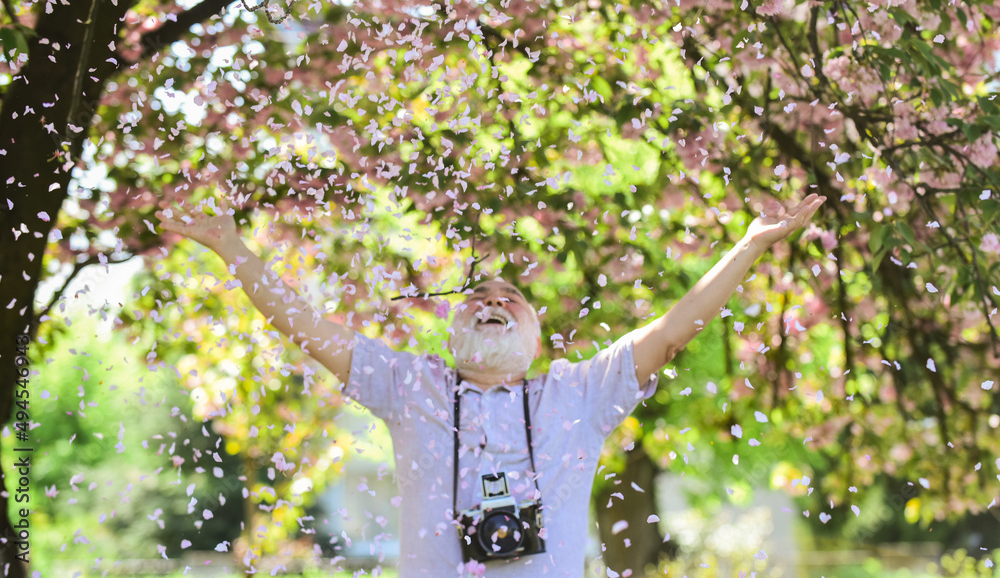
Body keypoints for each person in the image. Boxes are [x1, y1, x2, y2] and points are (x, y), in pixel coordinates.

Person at [156, 192, 825, 577]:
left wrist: (750, 245)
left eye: (513, 296)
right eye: (478, 294)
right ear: (451, 328)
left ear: (536, 340)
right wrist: (234, 249)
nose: (493, 299)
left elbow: (676, 327)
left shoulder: (577, 393)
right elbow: (304, 325)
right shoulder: (408, 383)